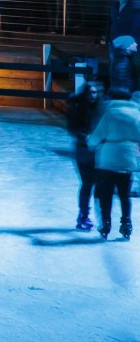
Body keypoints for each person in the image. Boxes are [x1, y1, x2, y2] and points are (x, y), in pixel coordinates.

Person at [89, 88, 140, 240]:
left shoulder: (110, 113)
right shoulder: (136, 114)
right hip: (126, 157)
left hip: (108, 160)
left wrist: (90, 142)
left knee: (107, 195)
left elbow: (97, 135)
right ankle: (126, 224)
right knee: (125, 195)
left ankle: (106, 223)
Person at [68, 79, 106, 231]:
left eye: (95, 92)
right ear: (85, 93)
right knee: (87, 184)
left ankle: (101, 216)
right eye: (90, 92)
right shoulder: (77, 108)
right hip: (83, 151)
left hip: (98, 152)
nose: (93, 95)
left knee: (99, 185)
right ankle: (83, 215)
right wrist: (85, 137)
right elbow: (72, 128)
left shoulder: (101, 110)